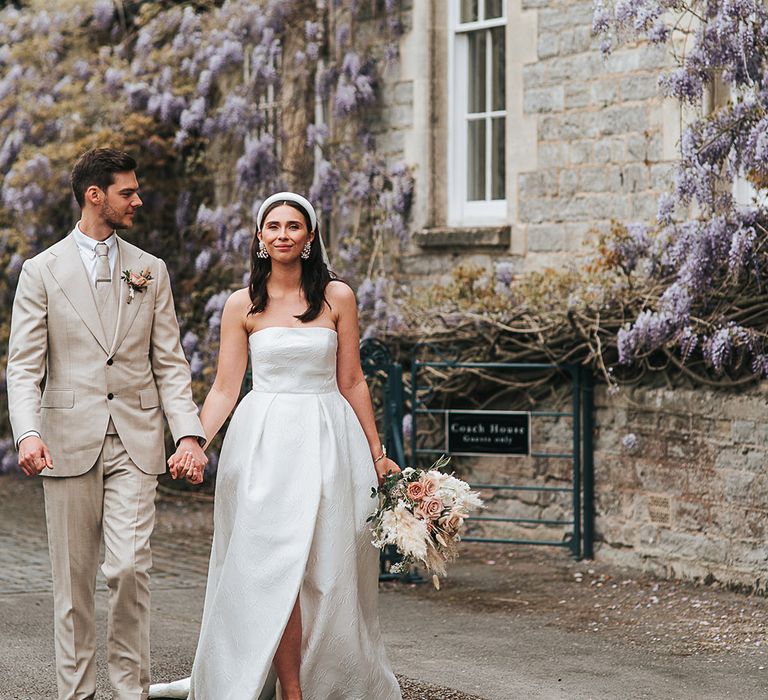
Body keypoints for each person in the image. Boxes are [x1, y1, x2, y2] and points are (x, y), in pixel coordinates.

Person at [149, 192, 402, 700]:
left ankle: (331, 675)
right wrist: (194, 441)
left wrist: (377, 453)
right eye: (273, 226)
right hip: (264, 443)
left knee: (329, 567)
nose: (283, 234)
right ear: (260, 239)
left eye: (293, 226)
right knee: (271, 564)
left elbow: (352, 380)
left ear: (309, 238)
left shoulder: (338, 298)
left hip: (330, 438)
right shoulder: (242, 304)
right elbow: (225, 386)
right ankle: (291, 689)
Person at [6, 147, 207, 700]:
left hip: (137, 442)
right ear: (95, 195)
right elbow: (24, 367)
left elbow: (170, 362)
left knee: (127, 571)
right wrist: (27, 433)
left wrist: (188, 433)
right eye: (128, 192)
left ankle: (129, 691)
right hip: (66, 442)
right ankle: (77, 694)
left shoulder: (151, 270)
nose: (138, 200)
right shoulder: (41, 271)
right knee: (73, 587)